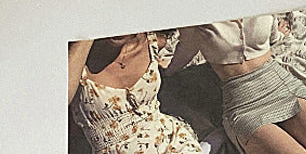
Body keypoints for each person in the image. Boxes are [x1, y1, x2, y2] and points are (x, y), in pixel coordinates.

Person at [178, 15, 306, 154]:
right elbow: (186, 48)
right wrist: (165, 71)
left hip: (282, 84)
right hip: (243, 104)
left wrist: (278, 34)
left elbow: (272, 35)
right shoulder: (199, 11)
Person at [68, 30, 206, 154]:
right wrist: (84, 36)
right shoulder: (77, 59)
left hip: (173, 142)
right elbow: (59, 100)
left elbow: (193, 38)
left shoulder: (149, 42)